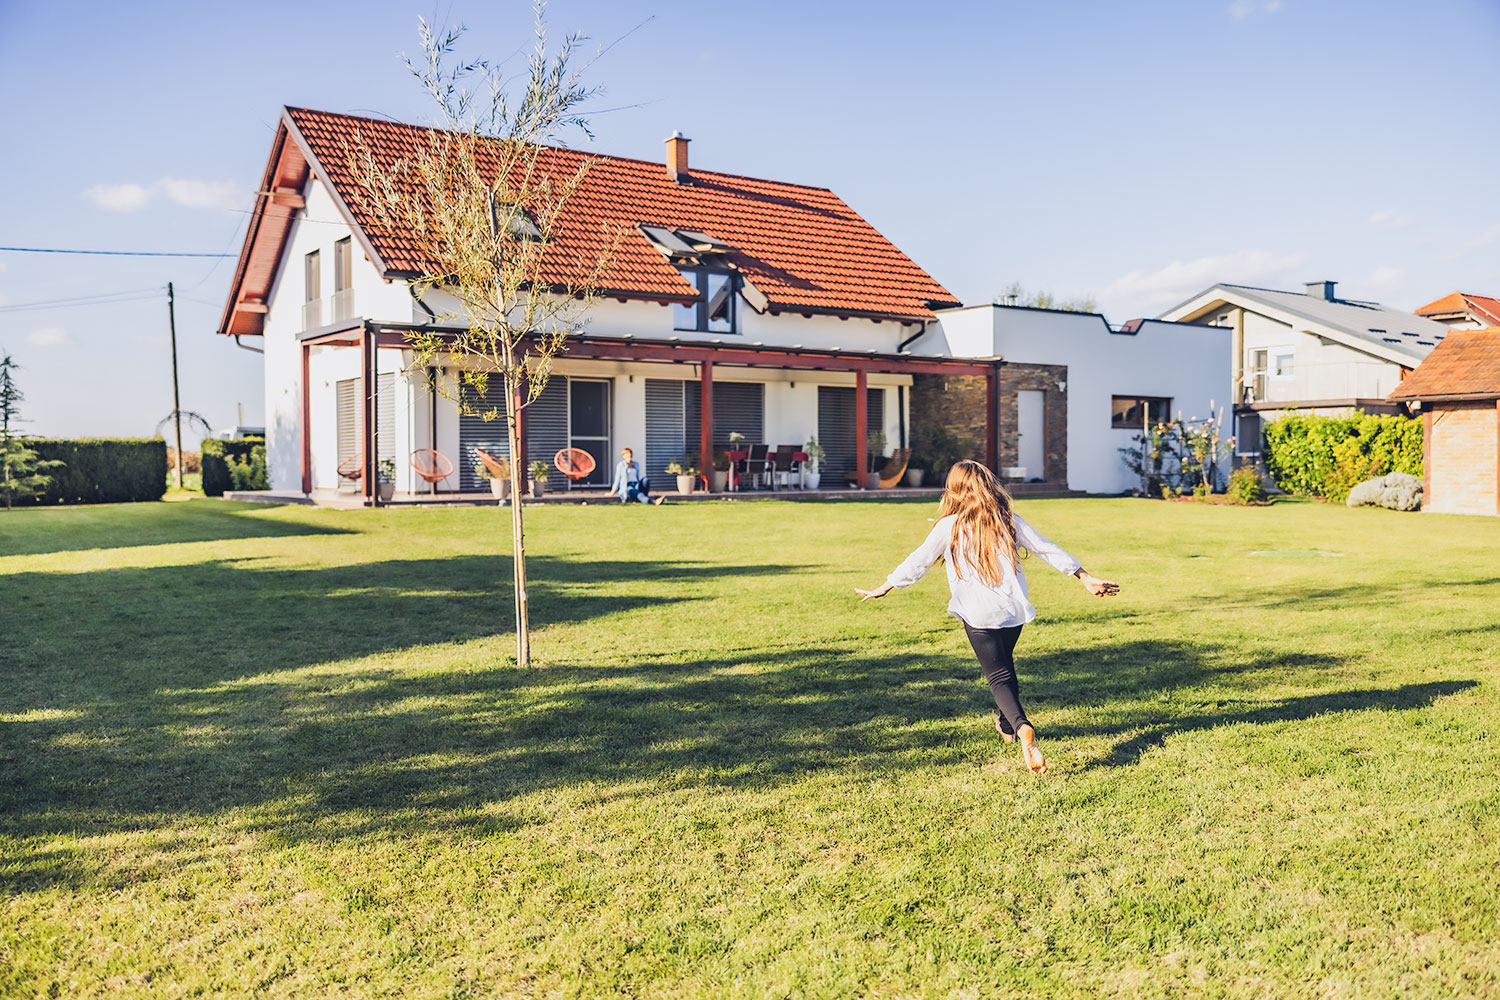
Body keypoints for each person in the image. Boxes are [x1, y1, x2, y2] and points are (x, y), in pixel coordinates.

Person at [854, 460, 1118, 774]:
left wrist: (886, 586)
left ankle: (1022, 728)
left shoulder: (949, 525)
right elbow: (1047, 549)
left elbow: (918, 561)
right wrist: (1085, 577)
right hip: (1013, 613)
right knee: (1004, 668)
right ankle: (1008, 724)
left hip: (978, 615)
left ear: (955, 489)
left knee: (998, 677)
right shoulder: (1009, 520)